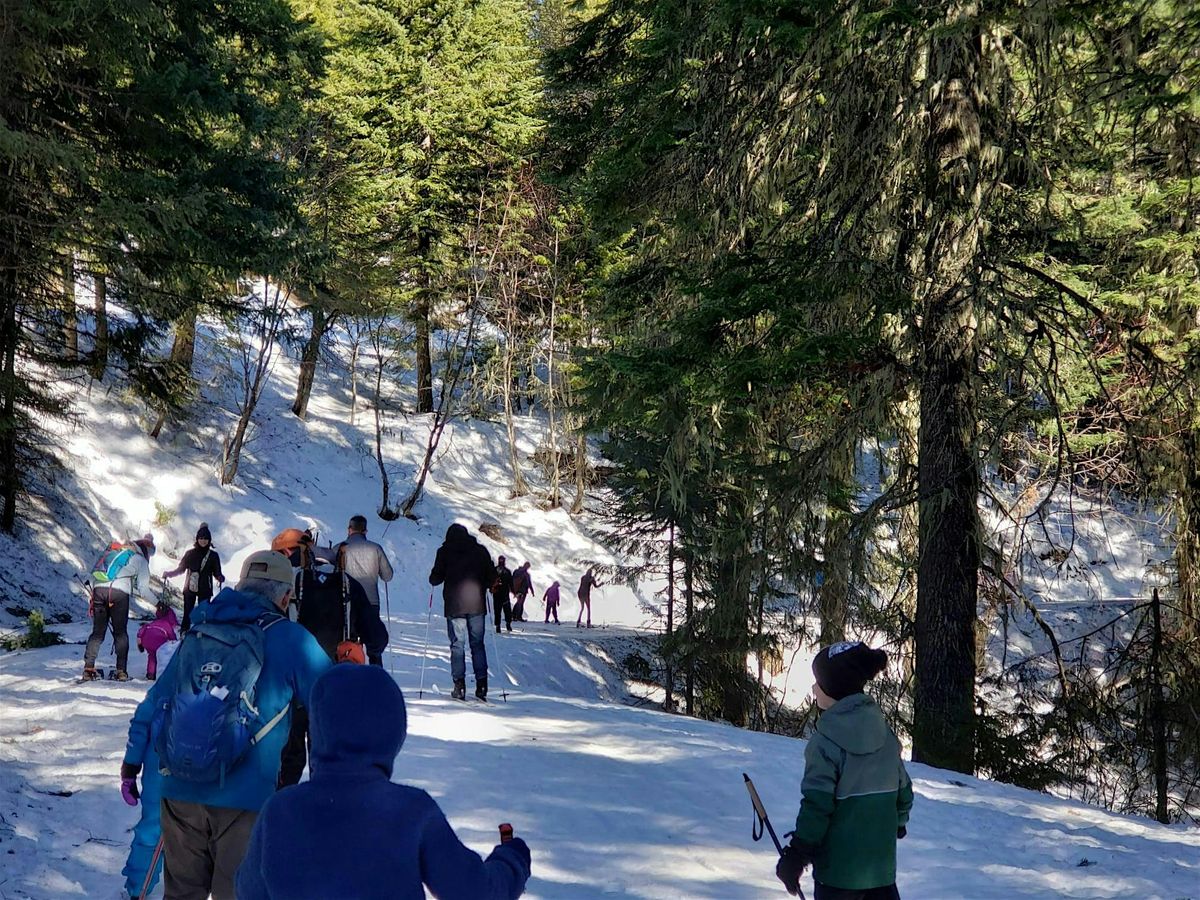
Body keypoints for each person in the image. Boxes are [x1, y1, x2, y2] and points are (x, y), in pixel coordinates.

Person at [121, 549, 331, 900]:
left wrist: (131, 763)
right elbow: (337, 704)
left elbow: (154, 702)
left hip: (180, 787)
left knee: (182, 894)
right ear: (285, 595)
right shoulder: (292, 639)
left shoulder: (200, 630)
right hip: (245, 798)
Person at [235, 664, 532, 900]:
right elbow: (475, 891)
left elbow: (248, 892)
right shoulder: (412, 812)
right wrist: (511, 861)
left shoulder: (280, 810)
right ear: (393, 732)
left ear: (319, 727)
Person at [775, 641, 913, 900]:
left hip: (837, 878)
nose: (814, 688)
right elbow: (904, 794)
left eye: (819, 683)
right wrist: (896, 824)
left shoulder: (824, 742)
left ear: (834, 689)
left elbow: (817, 807)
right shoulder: (887, 736)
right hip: (881, 875)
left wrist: (797, 855)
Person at [278, 541, 390, 788]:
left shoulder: (291, 585)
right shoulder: (350, 587)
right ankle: (325, 812)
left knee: (289, 761)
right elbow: (378, 638)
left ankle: (282, 816)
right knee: (329, 761)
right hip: (336, 687)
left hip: (293, 689)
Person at [429, 523, 494, 701]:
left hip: (455, 605)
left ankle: (459, 686)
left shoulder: (444, 552)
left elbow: (435, 578)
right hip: (477, 604)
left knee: (458, 645)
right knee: (477, 644)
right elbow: (491, 577)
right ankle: (482, 685)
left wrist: (434, 576)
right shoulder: (480, 551)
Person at [82, 534, 155, 681]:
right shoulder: (139, 559)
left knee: (97, 632)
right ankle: (121, 671)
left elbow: (93, 575)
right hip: (119, 594)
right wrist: (159, 604)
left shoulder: (111, 553)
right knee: (120, 632)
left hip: (99, 591)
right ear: (144, 551)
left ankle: (88, 668)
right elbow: (143, 589)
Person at [120, 691, 168, 900]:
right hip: (228, 774)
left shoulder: (183, 664)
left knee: (153, 829)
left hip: (164, 763)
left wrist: (130, 767)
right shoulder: (258, 663)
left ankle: (138, 890)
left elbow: (143, 719)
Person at [162, 523, 225, 633]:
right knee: (187, 612)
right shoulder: (190, 553)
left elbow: (217, 572)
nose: (203, 540)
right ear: (197, 539)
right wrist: (169, 574)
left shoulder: (213, 556)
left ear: (209, 540)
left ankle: (200, 632)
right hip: (190, 588)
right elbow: (181, 569)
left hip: (205, 589)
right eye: (201, 538)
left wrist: (220, 577)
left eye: (206, 538)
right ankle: (184, 631)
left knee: (203, 613)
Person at [338, 514, 394, 612]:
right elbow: (387, 576)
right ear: (365, 531)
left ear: (349, 530)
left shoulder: (339, 548)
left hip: (347, 601)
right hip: (371, 601)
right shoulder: (376, 548)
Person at [136, 599, 179, 680]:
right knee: (161, 655)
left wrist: (140, 641)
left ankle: (150, 674)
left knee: (152, 656)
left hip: (146, 639)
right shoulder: (167, 624)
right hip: (159, 640)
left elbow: (142, 630)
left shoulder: (153, 622)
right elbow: (172, 637)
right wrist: (175, 643)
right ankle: (162, 672)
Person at [493, 555, 514, 634]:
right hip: (500, 593)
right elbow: (511, 583)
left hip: (501, 593)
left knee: (503, 610)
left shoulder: (495, 570)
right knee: (502, 610)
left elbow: (511, 583)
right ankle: (500, 625)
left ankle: (506, 624)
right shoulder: (505, 571)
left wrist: (513, 591)